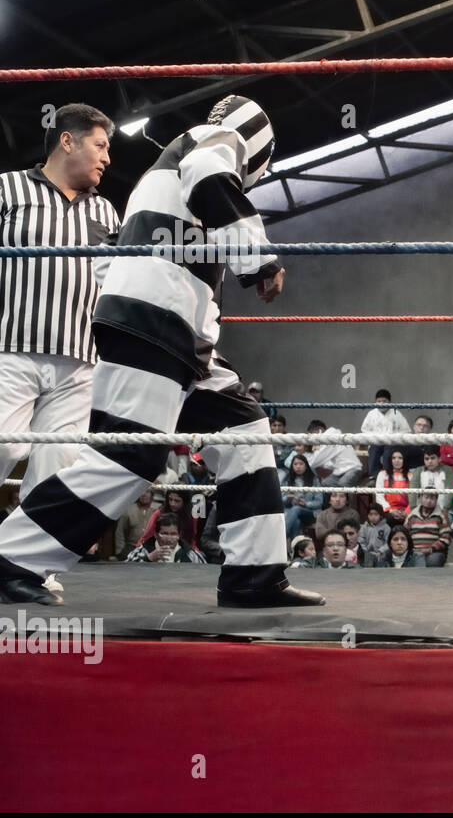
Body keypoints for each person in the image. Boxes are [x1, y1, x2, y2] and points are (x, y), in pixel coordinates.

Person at [0, 96, 324, 607]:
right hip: (154, 323)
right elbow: (207, 170)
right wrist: (258, 261)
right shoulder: (210, 143)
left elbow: (111, 260)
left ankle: (254, 576)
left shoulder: (156, 178)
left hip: (179, 336)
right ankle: (10, 558)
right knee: (129, 453)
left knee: (245, 430)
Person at [1, 104, 121, 505]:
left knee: (59, 468)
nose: (107, 157)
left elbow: (118, 281)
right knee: (4, 448)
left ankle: (29, 567)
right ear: (67, 141)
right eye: (100, 145)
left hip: (80, 361)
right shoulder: (8, 188)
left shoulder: (106, 211)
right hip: (11, 348)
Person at [361, 389, 411, 478]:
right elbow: (364, 430)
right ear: (375, 402)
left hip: (392, 443)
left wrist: (394, 437)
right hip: (376, 442)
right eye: (379, 401)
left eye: (384, 401)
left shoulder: (396, 413)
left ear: (389, 402)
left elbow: (406, 430)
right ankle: (374, 476)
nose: (382, 403)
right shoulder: (371, 414)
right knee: (374, 450)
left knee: (388, 450)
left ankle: (387, 475)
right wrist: (375, 437)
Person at [124, 512, 207, 564]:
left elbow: (204, 572)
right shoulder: (143, 550)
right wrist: (149, 559)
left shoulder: (190, 554)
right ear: (156, 534)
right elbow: (126, 570)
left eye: (173, 534)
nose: (169, 538)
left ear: (179, 535)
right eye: (165, 533)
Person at [305, 419, 364, 487]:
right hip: (340, 472)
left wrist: (309, 450)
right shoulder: (329, 440)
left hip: (353, 469)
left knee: (343, 484)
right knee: (326, 483)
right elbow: (326, 463)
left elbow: (313, 462)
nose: (312, 440)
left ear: (319, 431)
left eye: (312, 435)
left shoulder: (330, 437)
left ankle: (346, 497)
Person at [282, 453, 323, 540]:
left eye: (301, 464)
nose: (298, 467)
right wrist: (288, 498)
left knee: (296, 509)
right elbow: (280, 499)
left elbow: (319, 502)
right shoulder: (287, 479)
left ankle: (281, 535)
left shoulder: (314, 480)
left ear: (306, 466)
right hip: (291, 512)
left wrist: (306, 504)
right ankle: (296, 549)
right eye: (295, 464)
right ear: (292, 466)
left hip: (310, 512)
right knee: (296, 522)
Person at [406, 492, 453, 567]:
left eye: (432, 498)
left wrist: (431, 549)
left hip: (433, 552)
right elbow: (405, 535)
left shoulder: (441, 515)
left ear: (436, 500)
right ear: (421, 498)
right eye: (426, 497)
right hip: (414, 551)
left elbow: (445, 538)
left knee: (433, 561)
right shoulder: (412, 515)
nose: (429, 501)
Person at [408, 448, 453, 515]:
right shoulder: (418, 471)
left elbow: (450, 493)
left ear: (439, 459)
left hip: (444, 511)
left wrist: (444, 511)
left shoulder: (448, 471)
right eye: (426, 459)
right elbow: (412, 492)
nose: (429, 461)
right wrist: (414, 511)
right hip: (421, 512)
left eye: (433, 458)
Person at [114, 489, 157, 560]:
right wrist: (120, 551)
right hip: (131, 547)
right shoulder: (128, 510)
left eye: (147, 492)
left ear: (152, 494)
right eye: (141, 491)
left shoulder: (156, 510)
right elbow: (119, 532)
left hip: (150, 548)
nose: (144, 494)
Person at [375, 449, 413, 523]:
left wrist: (406, 512)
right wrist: (391, 510)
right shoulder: (382, 474)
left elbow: (413, 498)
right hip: (388, 511)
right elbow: (379, 497)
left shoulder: (410, 476)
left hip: (406, 512)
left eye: (400, 458)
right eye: (394, 458)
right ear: (390, 460)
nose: (397, 460)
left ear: (404, 460)